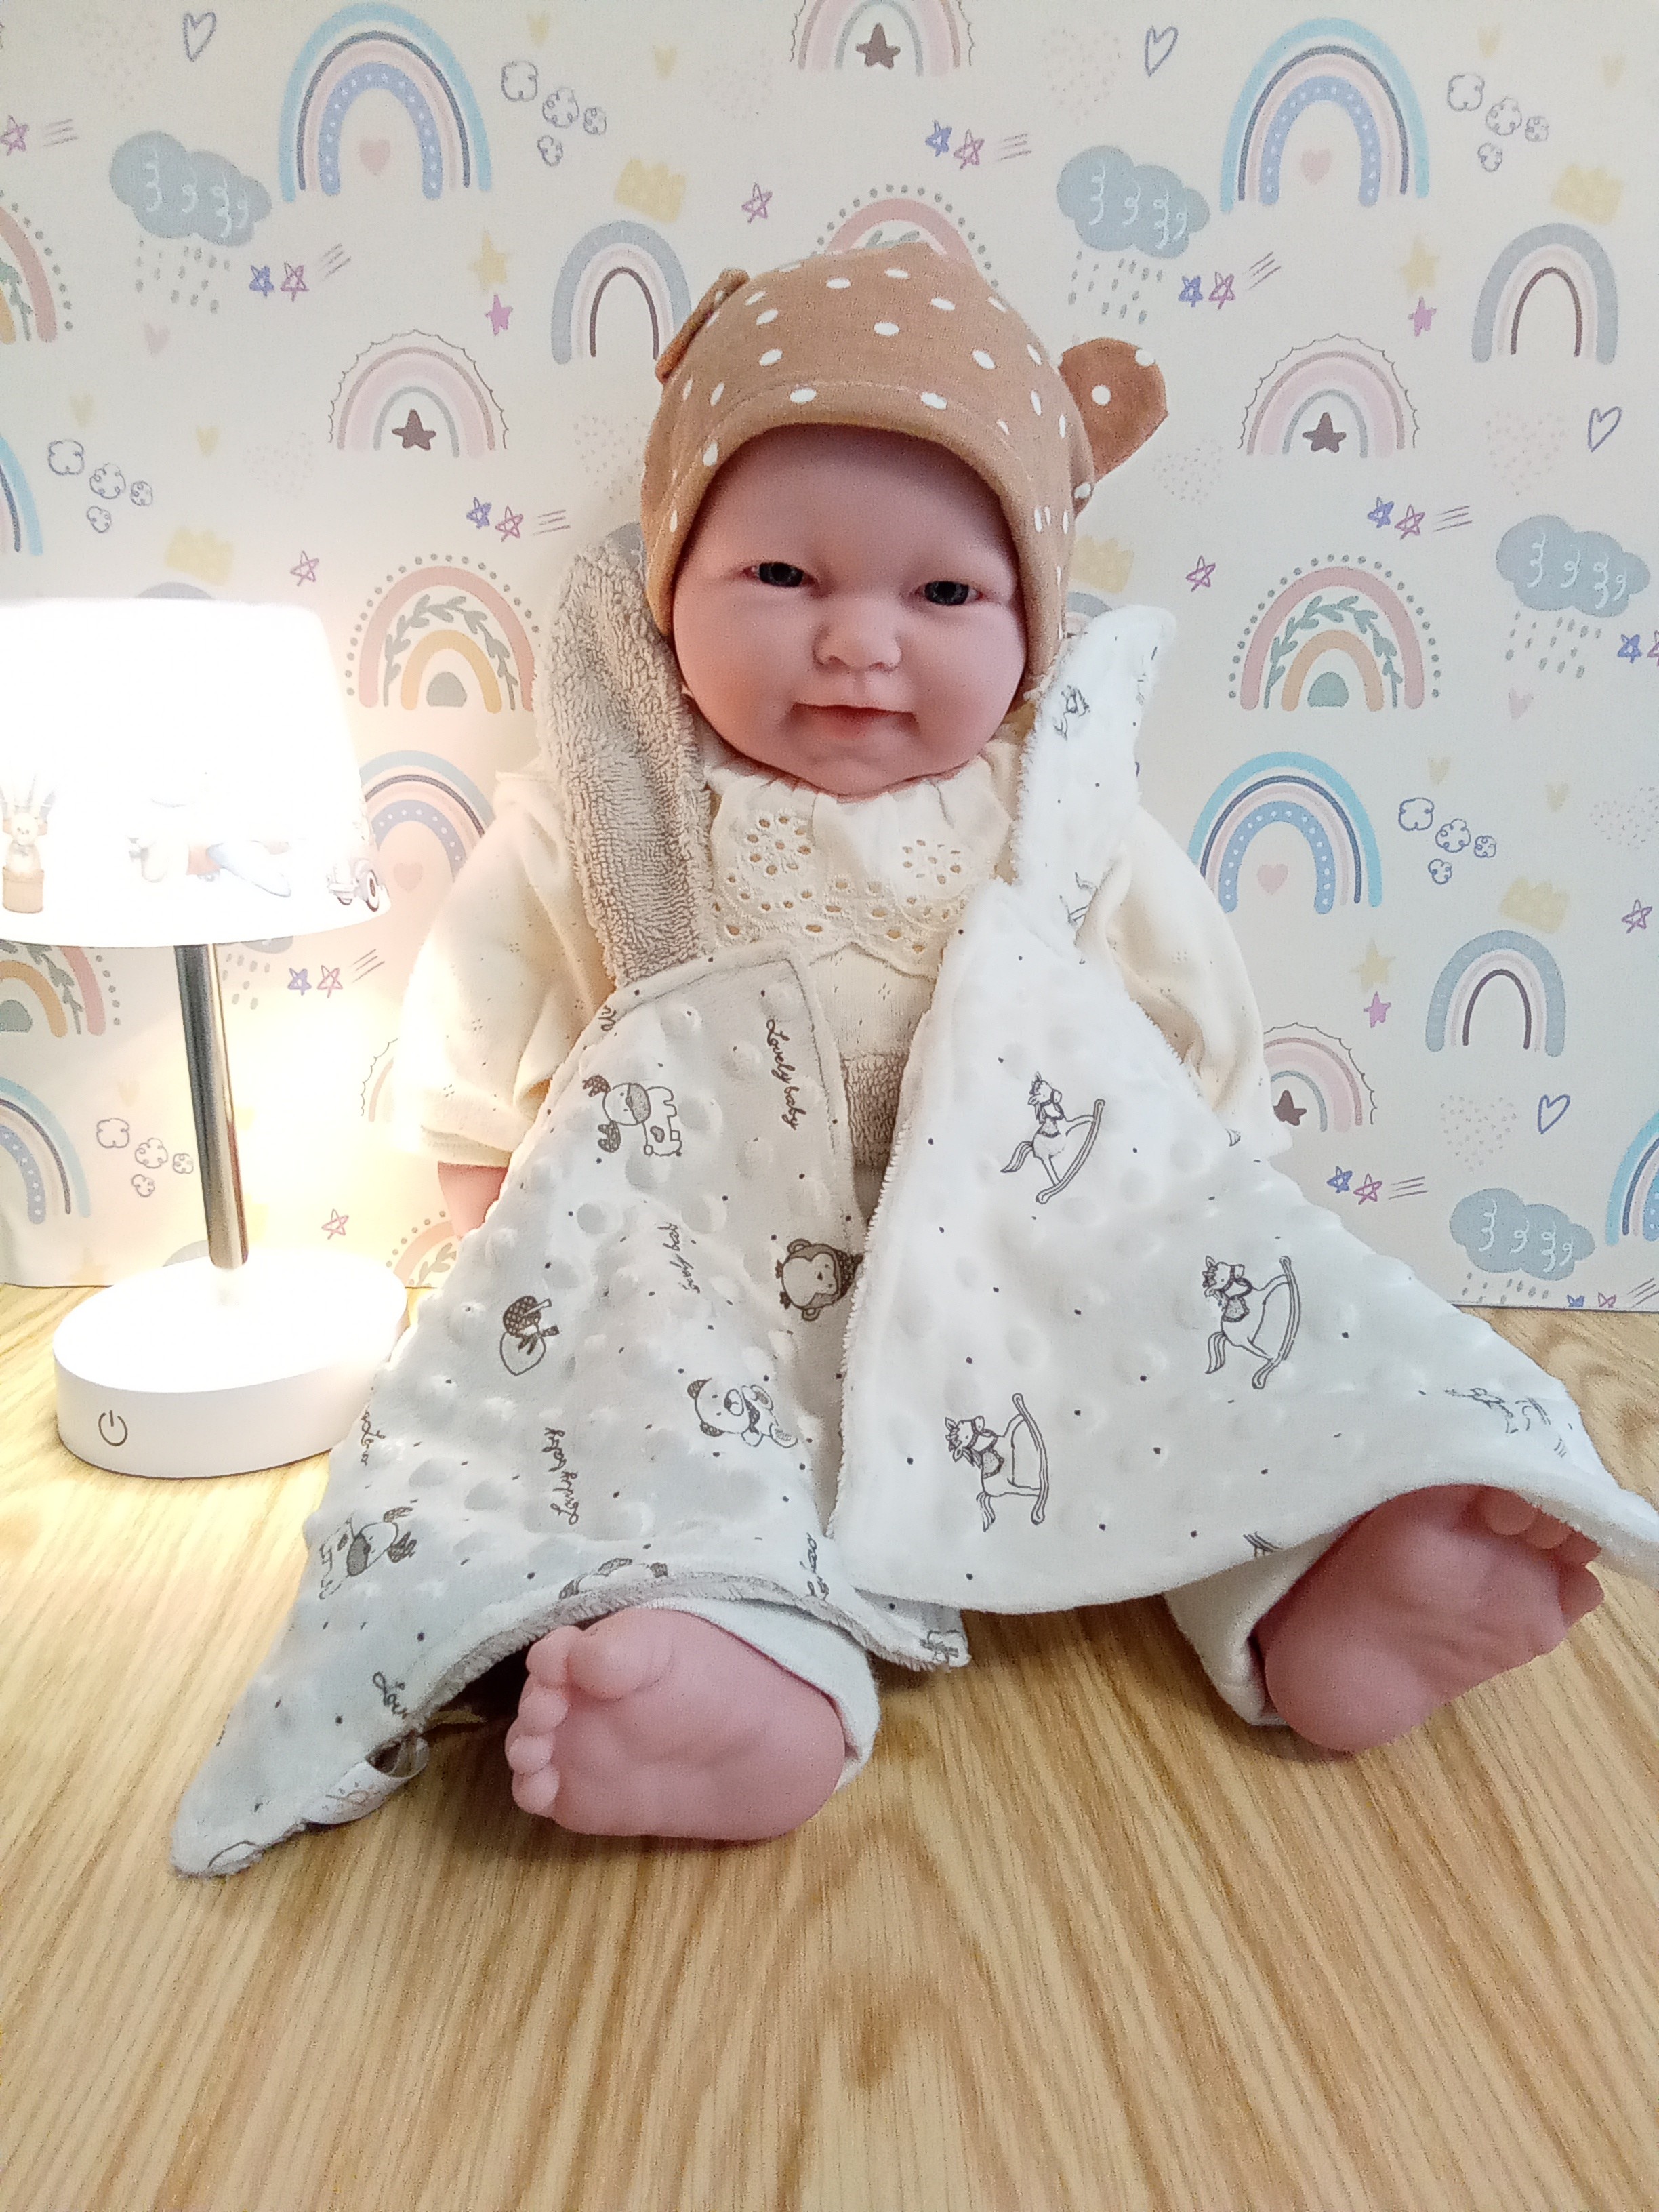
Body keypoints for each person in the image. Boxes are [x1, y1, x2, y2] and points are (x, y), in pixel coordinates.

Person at [172, 245, 1659, 1881]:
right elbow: (486, 992)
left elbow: (1188, 1005)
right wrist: (493, 1213)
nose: (858, 644)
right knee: (658, 1432)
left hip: (1038, 1247)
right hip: (712, 1264)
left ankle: (1329, 1583)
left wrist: (1212, 1191)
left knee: (1197, 1375)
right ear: (669, 588)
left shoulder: (1057, 818)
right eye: (782, 577)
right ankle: (740, 1674)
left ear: (1031, 623)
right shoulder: (614, 813)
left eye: (943, 596)